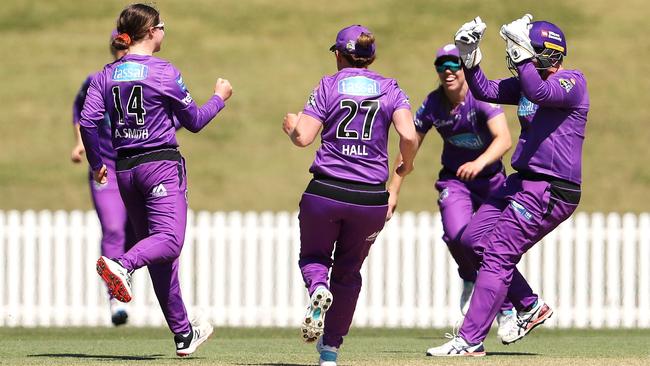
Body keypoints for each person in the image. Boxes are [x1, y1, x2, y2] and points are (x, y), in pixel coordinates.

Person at [426, 14, 588, 356]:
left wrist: (524, 56)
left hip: (551, 187)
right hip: (522, 181)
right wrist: (471, 59)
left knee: (498, 253)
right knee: (471, 241)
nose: (518, 55)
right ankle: (529, 305)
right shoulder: (530, 82)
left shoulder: (572, 82)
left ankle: (470, 341)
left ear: (545, 54)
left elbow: (539, 90)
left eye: (527, 50)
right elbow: (485, 89)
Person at [79, 3, 233, 357]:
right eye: (162, 26)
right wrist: (219, 99)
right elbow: (193, 120)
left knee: (163, 256)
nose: (165, 31)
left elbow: (88, 122)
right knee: (169, 242)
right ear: (151, 32)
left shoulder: (106, 74)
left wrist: (95, 163)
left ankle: (183, 334)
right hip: (160, 165)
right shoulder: (163, 72)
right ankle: (123, 263)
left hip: (125, 170)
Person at [282, 24, 418, 366]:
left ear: (340, 55)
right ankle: (330, 350)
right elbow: (408, 134)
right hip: (370, 198)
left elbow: (304, 138)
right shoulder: (390, 88)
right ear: (371, 57)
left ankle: (317, 290)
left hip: (325, 192)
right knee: (349, 272)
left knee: (314, 258)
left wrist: (292, 126)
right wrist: (406, 166)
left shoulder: (329, 85)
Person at [386, 43, 516, 338]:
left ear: (464, 68)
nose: (448, 70)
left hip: (492, 182)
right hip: (455, 181)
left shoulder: (482, 98)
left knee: (488, 247)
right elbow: (409, 143)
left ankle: (507, 309)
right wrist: (393, 189)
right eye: (442, 65)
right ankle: (469, 276)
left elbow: (504, 139)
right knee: (457, 234)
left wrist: (479, 162)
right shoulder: (433, 104)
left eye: (455, 64)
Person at [71, 29, 134, 327]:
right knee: (112, 228)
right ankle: (115, 299)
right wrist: (81, 142)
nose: (121, 52)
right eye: (118, 47)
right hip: (104, 166)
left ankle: (124, 269)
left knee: (139, 231)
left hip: (137, 165)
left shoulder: (147, 80)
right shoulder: (98, 80)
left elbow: (173, 117)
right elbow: (82, 115)